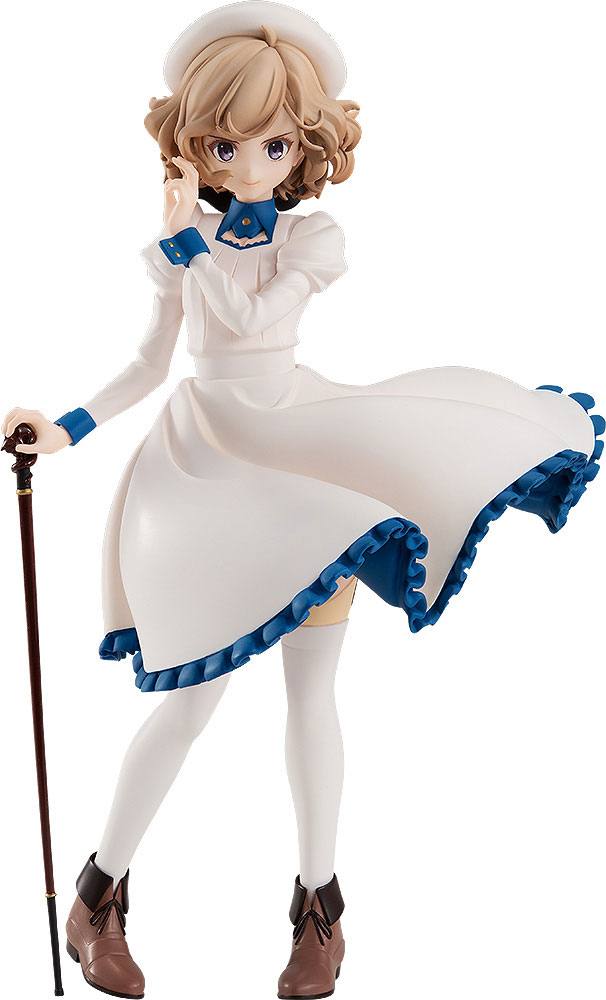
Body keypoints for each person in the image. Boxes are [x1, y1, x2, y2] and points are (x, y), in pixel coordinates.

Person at [2, 4, 601, 998]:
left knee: (313, 694)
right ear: (195, 144)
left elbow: (251, 317)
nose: (249, 164)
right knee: (189, 701)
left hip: (301, 456)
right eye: (226, 144)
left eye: (273, 144)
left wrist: (189, 245)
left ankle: (319, 910)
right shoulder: (182, 245)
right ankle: (99, 894)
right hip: (207, 469)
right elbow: (149, 364)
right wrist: (62, 428)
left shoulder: (309, 240)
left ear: (306, 147)